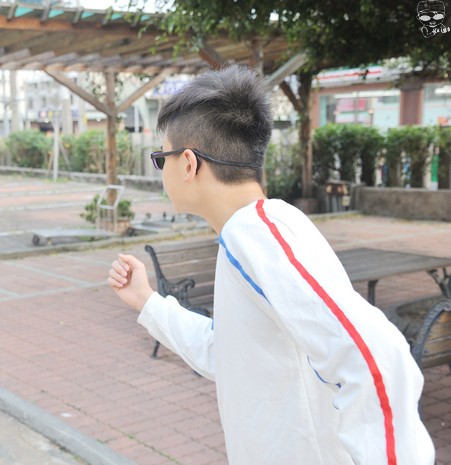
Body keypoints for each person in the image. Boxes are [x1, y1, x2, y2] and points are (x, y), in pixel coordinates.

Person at [107, 66, 434, 464]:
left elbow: (377, 357)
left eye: (163, 158)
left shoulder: (256, 235)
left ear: (189, 163)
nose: (162, 170)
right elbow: (230, 353)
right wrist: (147, 301)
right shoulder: (254, 232)